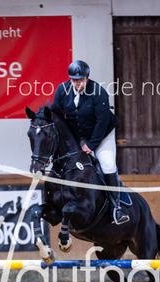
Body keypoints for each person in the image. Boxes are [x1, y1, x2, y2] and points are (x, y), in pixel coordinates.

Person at [52, 60, 129, 224]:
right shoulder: (62, 90)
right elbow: (56, 116)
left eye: (81, 80)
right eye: (74, 80)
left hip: (102, 135)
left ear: (87, 78)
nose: (77, 83)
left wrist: (92, 145)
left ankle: (116, 208)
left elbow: (102, 122)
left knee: (107, 164)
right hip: (79, 136)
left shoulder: (98, 92)